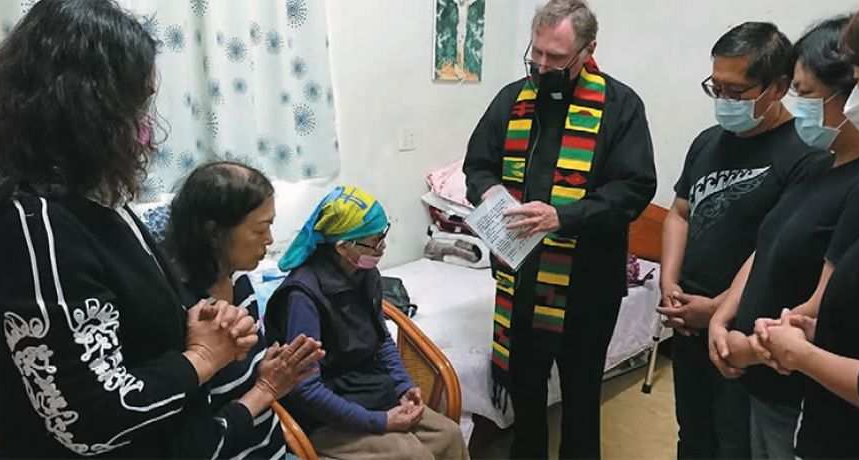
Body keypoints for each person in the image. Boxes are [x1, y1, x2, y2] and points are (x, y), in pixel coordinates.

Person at [0, 1, 287, 457]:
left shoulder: (90, 200)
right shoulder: (28, 224)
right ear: (87, 107)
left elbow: (131, 315)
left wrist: (192, 319)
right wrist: (202, 358)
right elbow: (87, 419)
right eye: (136, 104)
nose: (144, 126)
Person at [462, 0, 656, 457]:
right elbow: (478, 165)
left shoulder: (620, 105)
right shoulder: (512, 98)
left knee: (581, 395)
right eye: (537, 54)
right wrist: (489, 194)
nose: (543, 67)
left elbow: (635, 188)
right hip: (521, 277)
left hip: (588, 283)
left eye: (556, 58)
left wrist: (562, 218)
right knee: (526, 392)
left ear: (588, 51)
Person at [707, 14, 859, 459]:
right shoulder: (817, 163)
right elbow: (766, 248)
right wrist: (723, 316)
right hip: (762, 365)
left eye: (805, 94)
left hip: (797, 389)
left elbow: (824, 308)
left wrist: (749, 348)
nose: (797, 106)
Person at [656, 21, 824, 460]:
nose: (725, 102)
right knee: (692, 434)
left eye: (737, 92)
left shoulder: (805, 154)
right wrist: (668, 282)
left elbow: (775, 251)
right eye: (717, 89)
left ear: (778, 87)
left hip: (749, 335)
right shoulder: (708, 142)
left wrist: (715, 309)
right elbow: (679, 212)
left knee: (735, 445)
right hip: (688, 322)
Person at [265, 186, 468, 460]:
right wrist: (380, 422)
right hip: (324, 415)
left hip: (367, 391)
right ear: (343, 246)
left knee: (449, 436)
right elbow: (307, 390)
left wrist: (403, 385)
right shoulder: (303, 297)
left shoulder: (365, 273)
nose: (382, 247)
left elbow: (381, 340)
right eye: (374, 241)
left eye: (382, 237)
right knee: (411, 454)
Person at [165, 161, 325, 458]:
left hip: (271, 446)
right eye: (260, 229)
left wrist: (275, 370)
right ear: (214, 233)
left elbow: (250, 371)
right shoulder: (182, 310)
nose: (270, 240)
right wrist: (265, 388)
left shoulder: (240, 282)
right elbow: (196, 446)